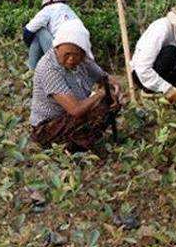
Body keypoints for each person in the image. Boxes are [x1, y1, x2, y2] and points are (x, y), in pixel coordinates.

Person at [30, 19, 122, 153]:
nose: (71, 59)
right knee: (98, 107)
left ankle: (80, 142)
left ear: (83, 54)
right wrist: (100, 94)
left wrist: (114, 91)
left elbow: (106, 79)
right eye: (67, 54)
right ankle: (71, 146)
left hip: (68, 118)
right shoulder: (48, 69)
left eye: (76, 55)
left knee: (110, 103)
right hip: (47, 127)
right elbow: (75, 109)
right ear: (57, 48)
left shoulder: (83, 60)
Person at [23, 0, 79, 70]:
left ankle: (32, 67)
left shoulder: (48, 9)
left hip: (62, 54)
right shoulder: (69, 10)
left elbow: (28, 31)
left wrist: (29, 45)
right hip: (78, 53)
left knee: (39, 30)